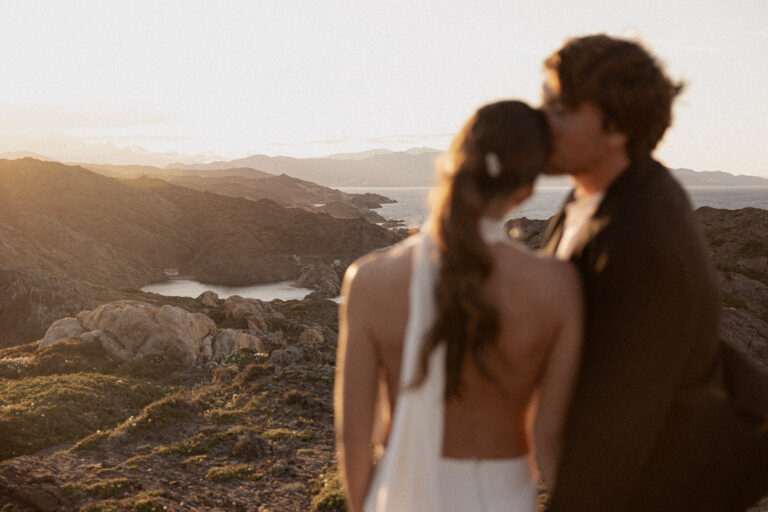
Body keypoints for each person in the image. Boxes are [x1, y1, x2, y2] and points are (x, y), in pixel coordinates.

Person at [540, 34, 768, 511]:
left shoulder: (646, 233)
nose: (543, 121)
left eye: (561, 109)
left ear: (616, 125)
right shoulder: (588, 198)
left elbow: (621, 420)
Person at [334, 101, 583, 512]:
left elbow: (353, 438)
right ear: (526, 191)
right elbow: (550, 435)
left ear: (452, 167)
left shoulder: (369, 281)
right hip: (503, 497)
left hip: (398, 494)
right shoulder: (557, 287)